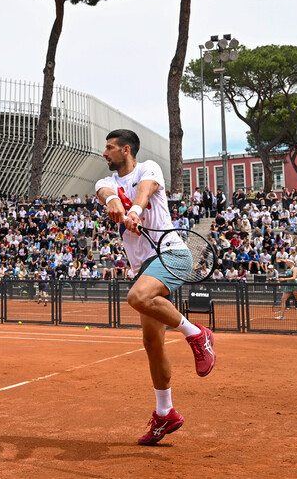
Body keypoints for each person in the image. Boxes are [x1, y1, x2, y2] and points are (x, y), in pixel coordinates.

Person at [95, 129, 215, 447]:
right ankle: (166, 413)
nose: (104, 153)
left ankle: (196, 334)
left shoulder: (149, 168)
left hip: (171, 254)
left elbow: (145, 191)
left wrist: (134, 210)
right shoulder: (104, 182)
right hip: (144, 267)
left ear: (126, 149)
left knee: (137, 296)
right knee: (152, 341)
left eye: (109, 148)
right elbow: (106, 193)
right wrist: (114, 205)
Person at [272, 250, 297, 320]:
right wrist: (280, 279)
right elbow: (288, 278)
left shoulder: (295, 269)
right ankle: (282, 316)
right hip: (288, 286)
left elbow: (294, 277)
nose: (286, 263)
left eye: (287, 262)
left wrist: (284, 279)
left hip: (295, 285)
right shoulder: (289, 270)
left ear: (291, 263)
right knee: (283, 299)